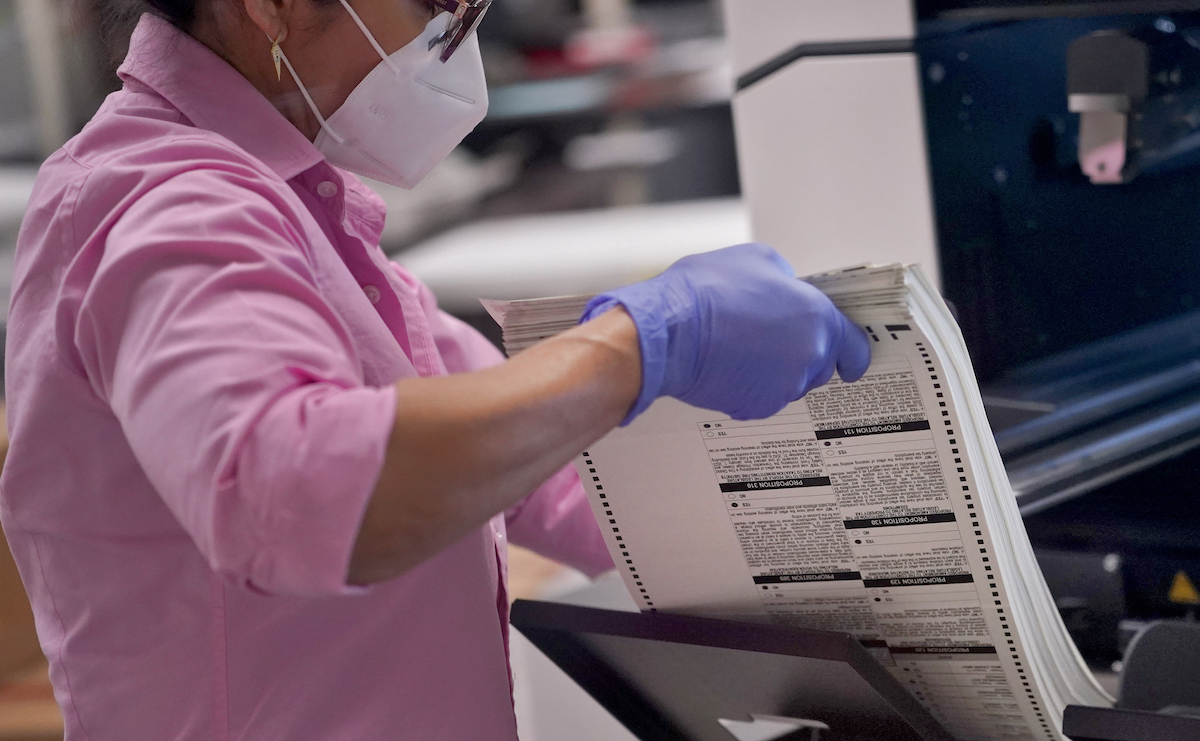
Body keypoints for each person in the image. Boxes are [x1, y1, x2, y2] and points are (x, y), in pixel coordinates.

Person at [0, 0, 872, 736]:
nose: (457, 49)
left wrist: (876, 532)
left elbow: (553, 475)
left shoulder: (301, 211)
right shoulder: (163, 201)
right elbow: (297, 491)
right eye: (439, 14)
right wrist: (642, 343)